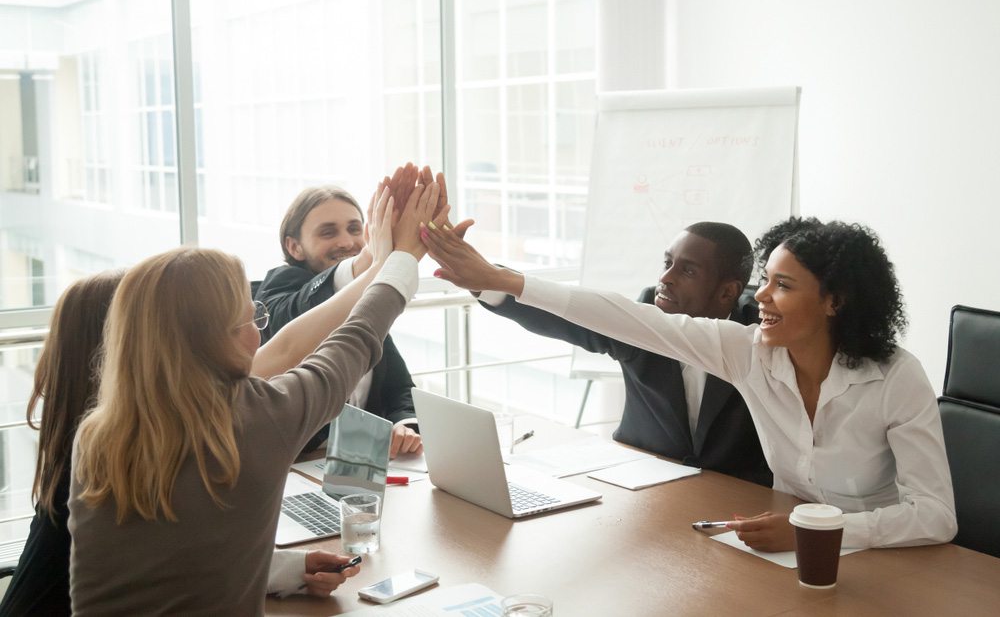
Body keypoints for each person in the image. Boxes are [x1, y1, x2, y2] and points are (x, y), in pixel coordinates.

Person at [421, 216, 957, 551]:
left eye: (783, 285)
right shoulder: (748, 353)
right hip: (780, 555)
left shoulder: (895, 376)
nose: (762, 296)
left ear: (834, 301)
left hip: (888, 558)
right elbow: (624, 318)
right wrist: (500, 279)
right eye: (765, 279)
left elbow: (935, 517)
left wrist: (824, 531)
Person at [67, 182, 444, 614]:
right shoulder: (261, 416)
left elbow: (167, 557)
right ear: (214, 337)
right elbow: (356, 337)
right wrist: (402, 259)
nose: (258, 331)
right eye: (251, 317)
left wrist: (283, 569)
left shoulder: (99, 434)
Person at [0, 264, 372, 616]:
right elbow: (287, 350)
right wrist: (384, 269)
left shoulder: (111, 442)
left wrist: (289, 569)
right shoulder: (113, 450)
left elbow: (167, 555)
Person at [476, 222, 771, 485]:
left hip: (736, 492)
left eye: (688, 270)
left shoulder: (758, 334)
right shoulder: (646, 311)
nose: (666, 278)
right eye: (667, 263)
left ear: (727, 293)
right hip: (639, 475)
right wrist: (485, 282)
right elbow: (572, 319)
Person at [255, 164, 443, 458]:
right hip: (297, 466)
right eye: (328, 232)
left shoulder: (366, 298)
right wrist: (373, 258)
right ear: (294, 247)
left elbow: (399, 388)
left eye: (355, 229)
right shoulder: (278, 288)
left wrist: (403, 426)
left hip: (365, 466)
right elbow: (294, 316)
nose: (346, 242)